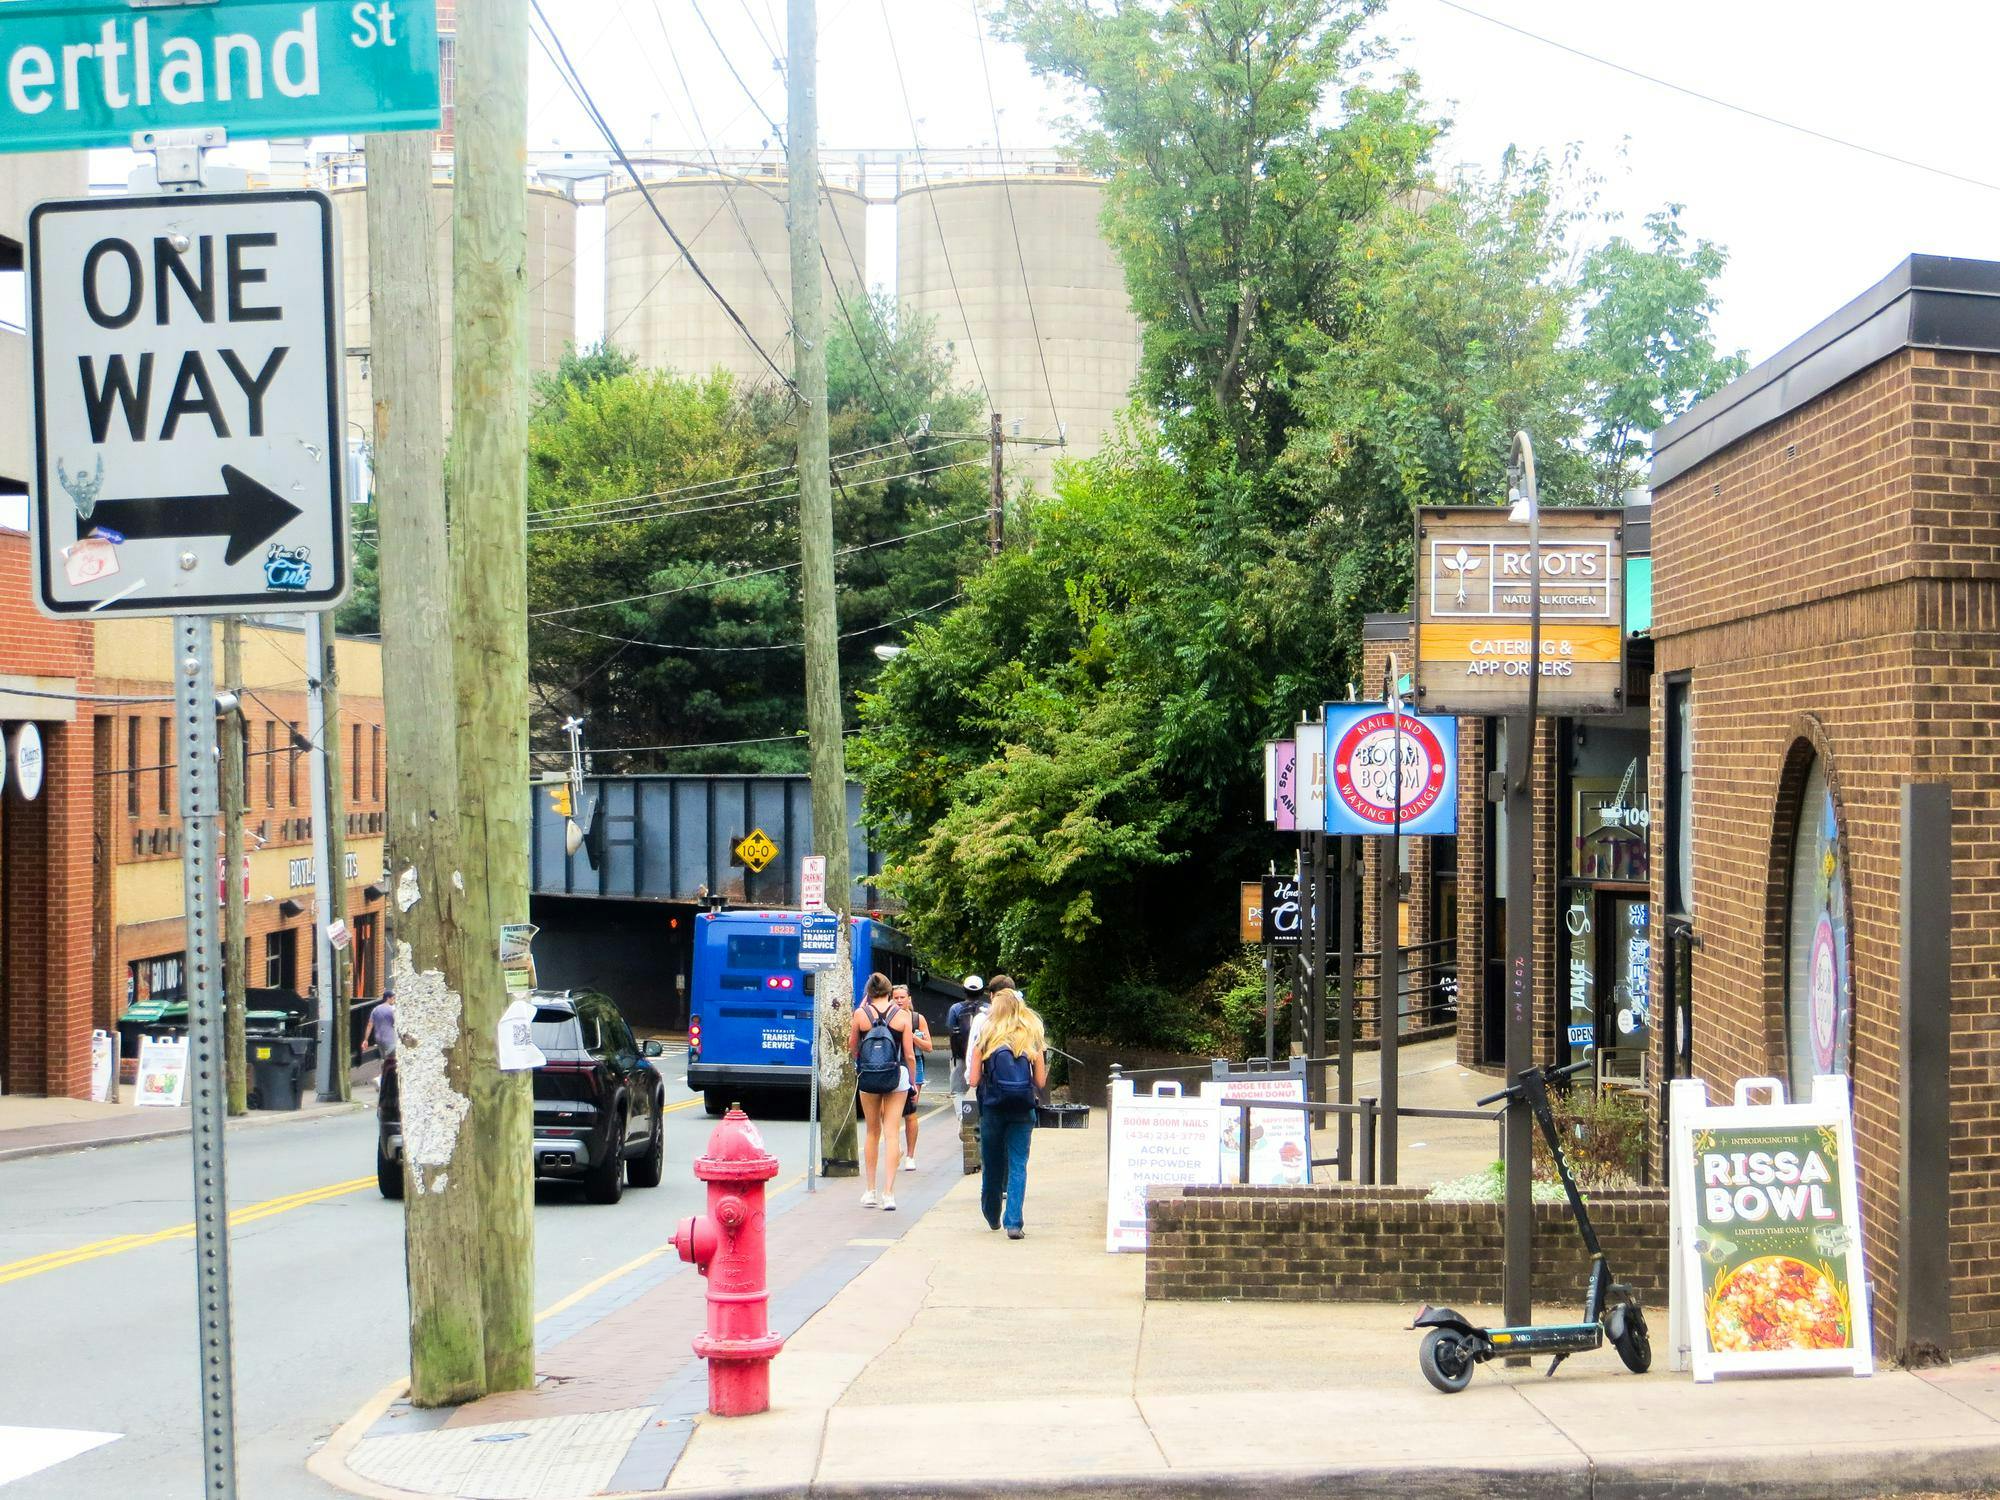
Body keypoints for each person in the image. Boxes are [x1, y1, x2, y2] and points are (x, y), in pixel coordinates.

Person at [965, 986, 1047, 1239]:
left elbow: (974, 1080)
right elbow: (1041, 1082)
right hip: (1023, 1109)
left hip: (992, 1109)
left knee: (992, 1163)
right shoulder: (1032, 1038)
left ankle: (991, 1214)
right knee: (1019, 1164)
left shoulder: (986, 1039)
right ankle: (1014, 1223)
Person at [850, 972, 915, 1210]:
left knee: (871, 1132)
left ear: (868, 992)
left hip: (868, 1077)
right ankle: (889, 1194)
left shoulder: (860, 1014)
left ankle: (870, 1190)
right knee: (892, 1134)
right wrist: (913, 1082)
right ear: (889, 992)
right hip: (896, 1076)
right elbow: (908, 1054)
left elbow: (853, 1047)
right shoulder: (902, 1016)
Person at [892, 983, 931, 1170]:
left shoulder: (917, 1019)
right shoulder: (888, 1017)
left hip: (914, 1063)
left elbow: (928, 1046)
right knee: (891, 1112)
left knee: (910, 1111)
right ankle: (895, 1147)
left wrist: (912, 1036)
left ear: (909, 999)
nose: (899, 1001)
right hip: (894, 1064)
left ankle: (910, 1155)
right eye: (896, 997)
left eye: (902, 997)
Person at [946, 975, 987, 1104]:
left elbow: (951, 1029)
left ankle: (962, 1117)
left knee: (959, 1091)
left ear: (964, 990)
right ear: (982, 991)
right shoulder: (988, 1009)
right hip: (984, 1057)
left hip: (961, 1056)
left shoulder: (955, 1008)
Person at [362, 988, 397, 1060]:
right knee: (392, 1061)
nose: (394, 1000)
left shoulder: (376, 1009)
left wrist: (366, 1040)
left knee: (384, 1059)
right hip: (390, 1039)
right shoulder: (393, 1010)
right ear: (388, 998)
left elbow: (369, 1025)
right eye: (393, 998)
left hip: (379, 1039)